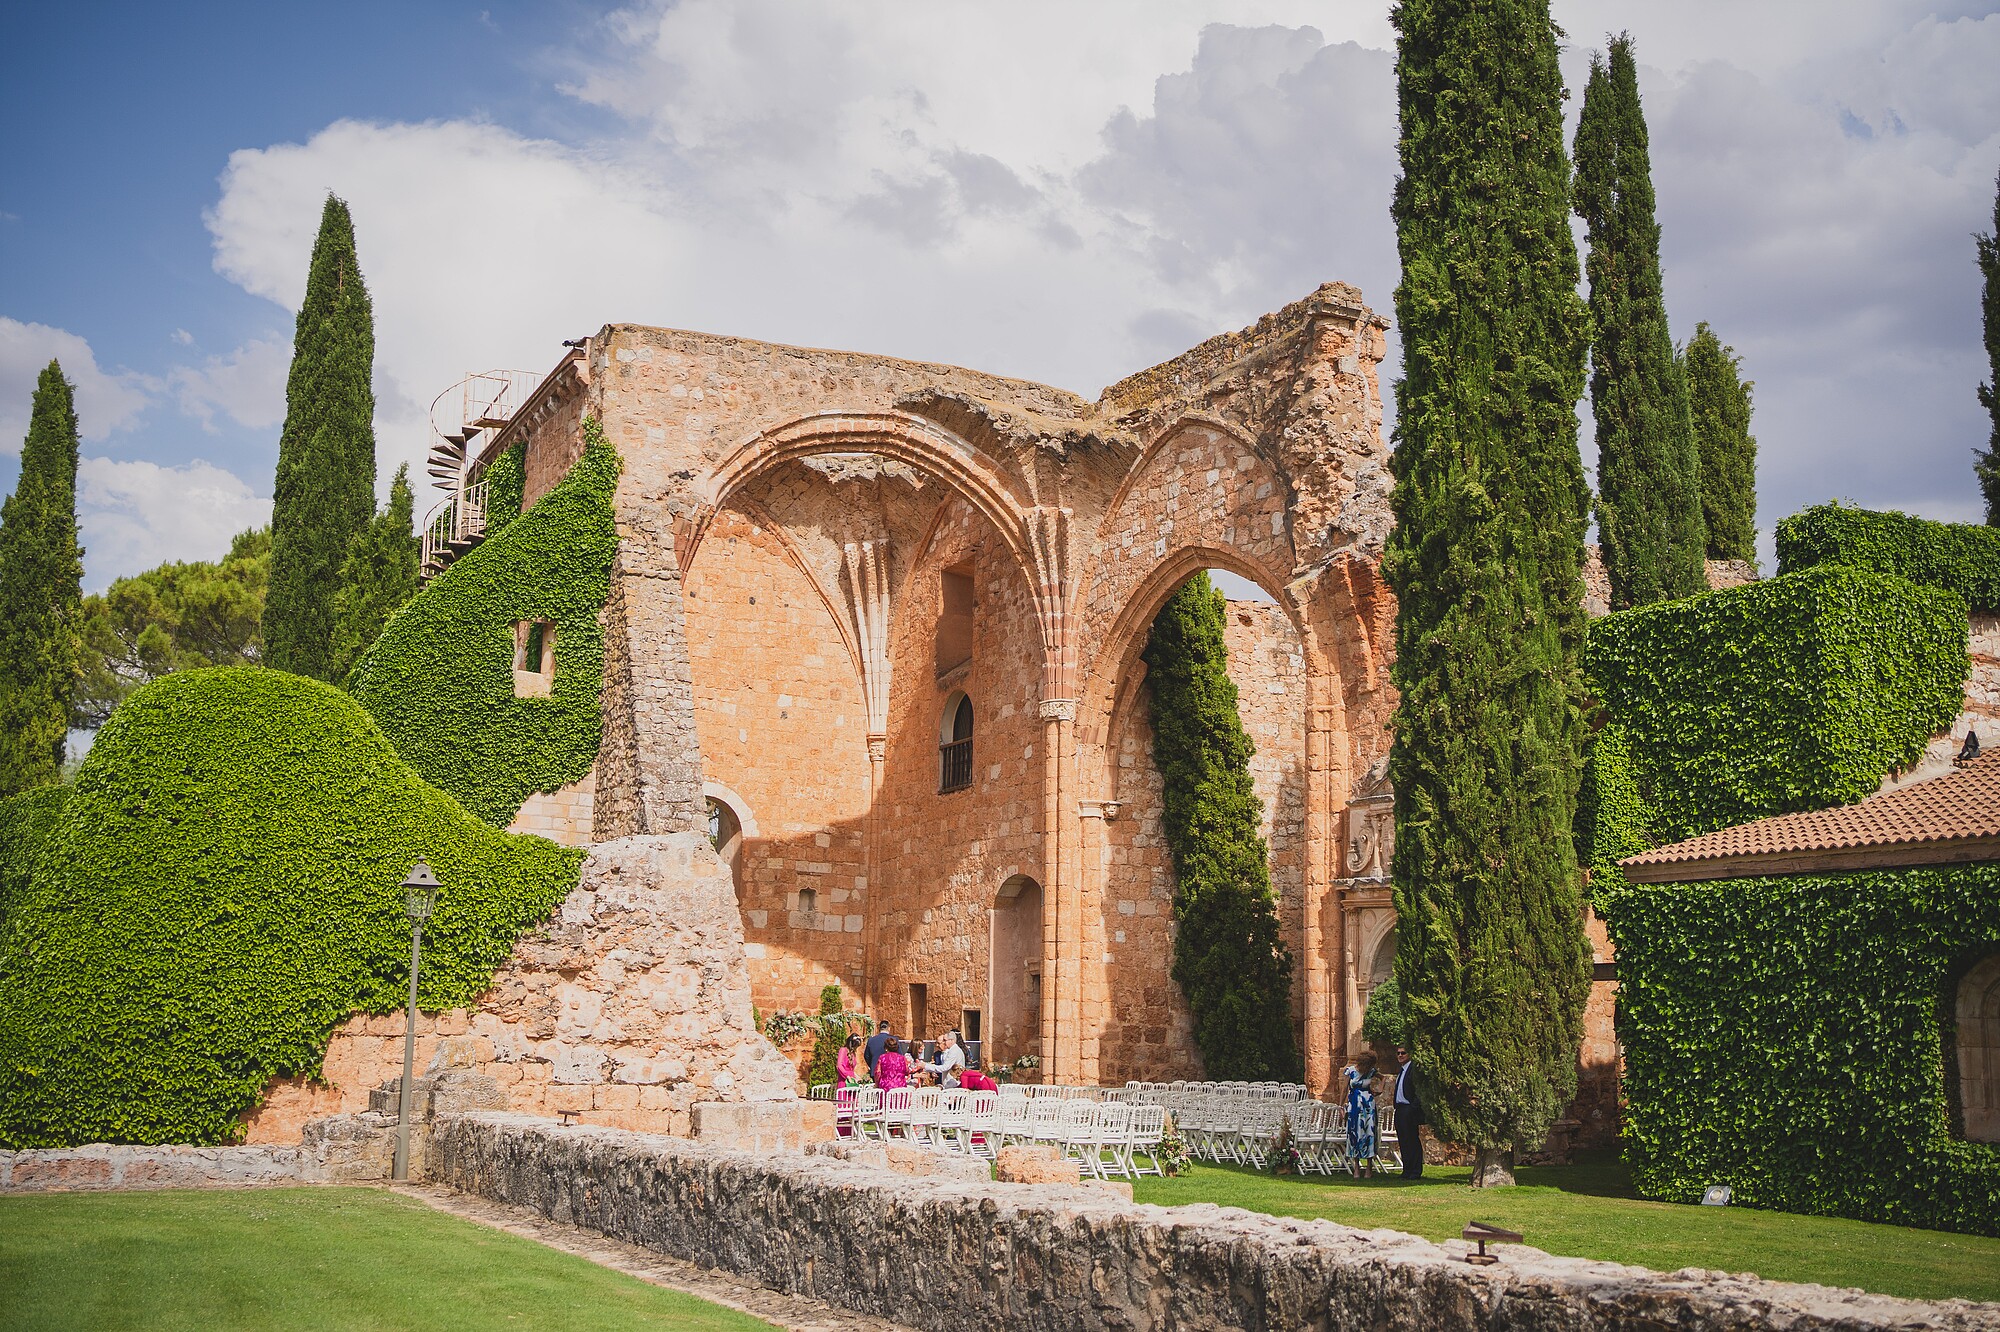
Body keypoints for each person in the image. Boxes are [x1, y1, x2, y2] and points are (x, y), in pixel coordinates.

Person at [1343, 1051, 1379, 1177]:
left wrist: (1379, 1089)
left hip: (1368, 1105)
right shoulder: (1350, 1071)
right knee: (1354, 1133)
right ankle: (1356, 1167)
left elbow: (1382, 1078)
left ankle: (1369, 1167)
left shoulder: (1371, 1071)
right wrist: (1341, 1106)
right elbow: (1344, 1089)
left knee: (1369, 1133)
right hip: (1354, 1105)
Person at [1393, 1044, 1424, 1181]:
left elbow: (1419, 1089)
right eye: (1398, 1053)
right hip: (1400, 1109)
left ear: (1409, 1054)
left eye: (1403, 1053)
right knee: (1403, 1141)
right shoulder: (1402, 1070)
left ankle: (1415, 1171)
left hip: (1408, 1108)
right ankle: (1407, 1170)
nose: (1400, 1055)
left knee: (1411, 1140)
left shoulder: (1413, 1069)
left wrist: (1413, 1107)